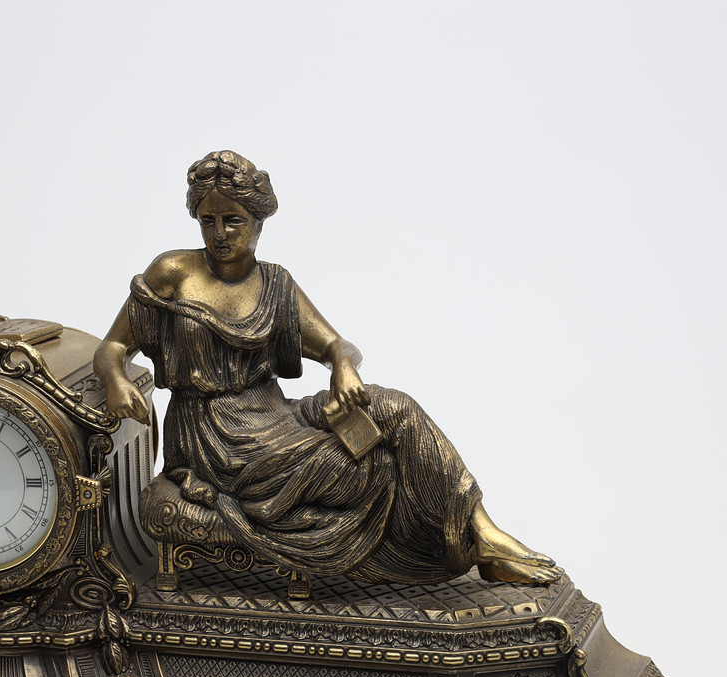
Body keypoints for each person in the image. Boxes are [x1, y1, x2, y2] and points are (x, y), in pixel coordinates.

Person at [93, 150, 559, 586]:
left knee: (394, 408)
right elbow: (113, 346)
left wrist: (342, 367)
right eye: (207, 221)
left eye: (233, 221)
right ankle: (462, 544)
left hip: (275, 414)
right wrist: (115, 379)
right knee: (369, 463)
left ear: (259, 221)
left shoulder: (275, 283)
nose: (219, 234)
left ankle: (482, 531)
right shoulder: (172, 271)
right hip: (217, 438)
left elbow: (337, 343)